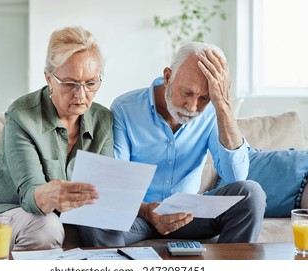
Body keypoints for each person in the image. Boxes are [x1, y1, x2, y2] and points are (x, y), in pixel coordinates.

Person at [78, 41, 266, 246]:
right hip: (138, 216)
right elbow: (116, 185)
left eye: (204, 97)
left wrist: (223, 105)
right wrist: (148, 212)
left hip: (189, 216)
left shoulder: (213, 111)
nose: (193, 107)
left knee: (251, 193)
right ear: (168, 77)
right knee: (90, 210)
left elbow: (235, 177)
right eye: (186, 93)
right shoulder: (125, 108)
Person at [0, 26, 113, 251]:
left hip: (58, 217)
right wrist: (52, 194)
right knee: (46, 227)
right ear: (49, 79)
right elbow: (30, 195)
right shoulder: (22, 116)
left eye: (90, 83)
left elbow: (104, 189)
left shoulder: (103, 119)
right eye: (70, 84)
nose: (81, 95)